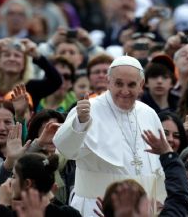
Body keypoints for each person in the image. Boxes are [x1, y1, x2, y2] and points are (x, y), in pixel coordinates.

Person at [53, 55, 167, 216]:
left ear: (141, 85)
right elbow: (65, 150)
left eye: (131, 85)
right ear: (108, 82)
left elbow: (160, 166)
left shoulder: (149, 113)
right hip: (95, 207)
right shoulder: (88, 109)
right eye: (119, 83)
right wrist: (80, 122)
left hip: (142, 210)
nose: (125, 91)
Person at [0, 37, 62, 111]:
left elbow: (56, 81)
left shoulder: (32, 87)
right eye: (7, 55)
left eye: (17, 56)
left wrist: (38, 57)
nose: (12, 59)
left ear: (24, 64)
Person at [0, 153, 81, 217]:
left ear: (27, 183)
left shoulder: (16, 214)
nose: (9, 181)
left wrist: (2, 205)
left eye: (14, 176)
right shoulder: (69, 213)